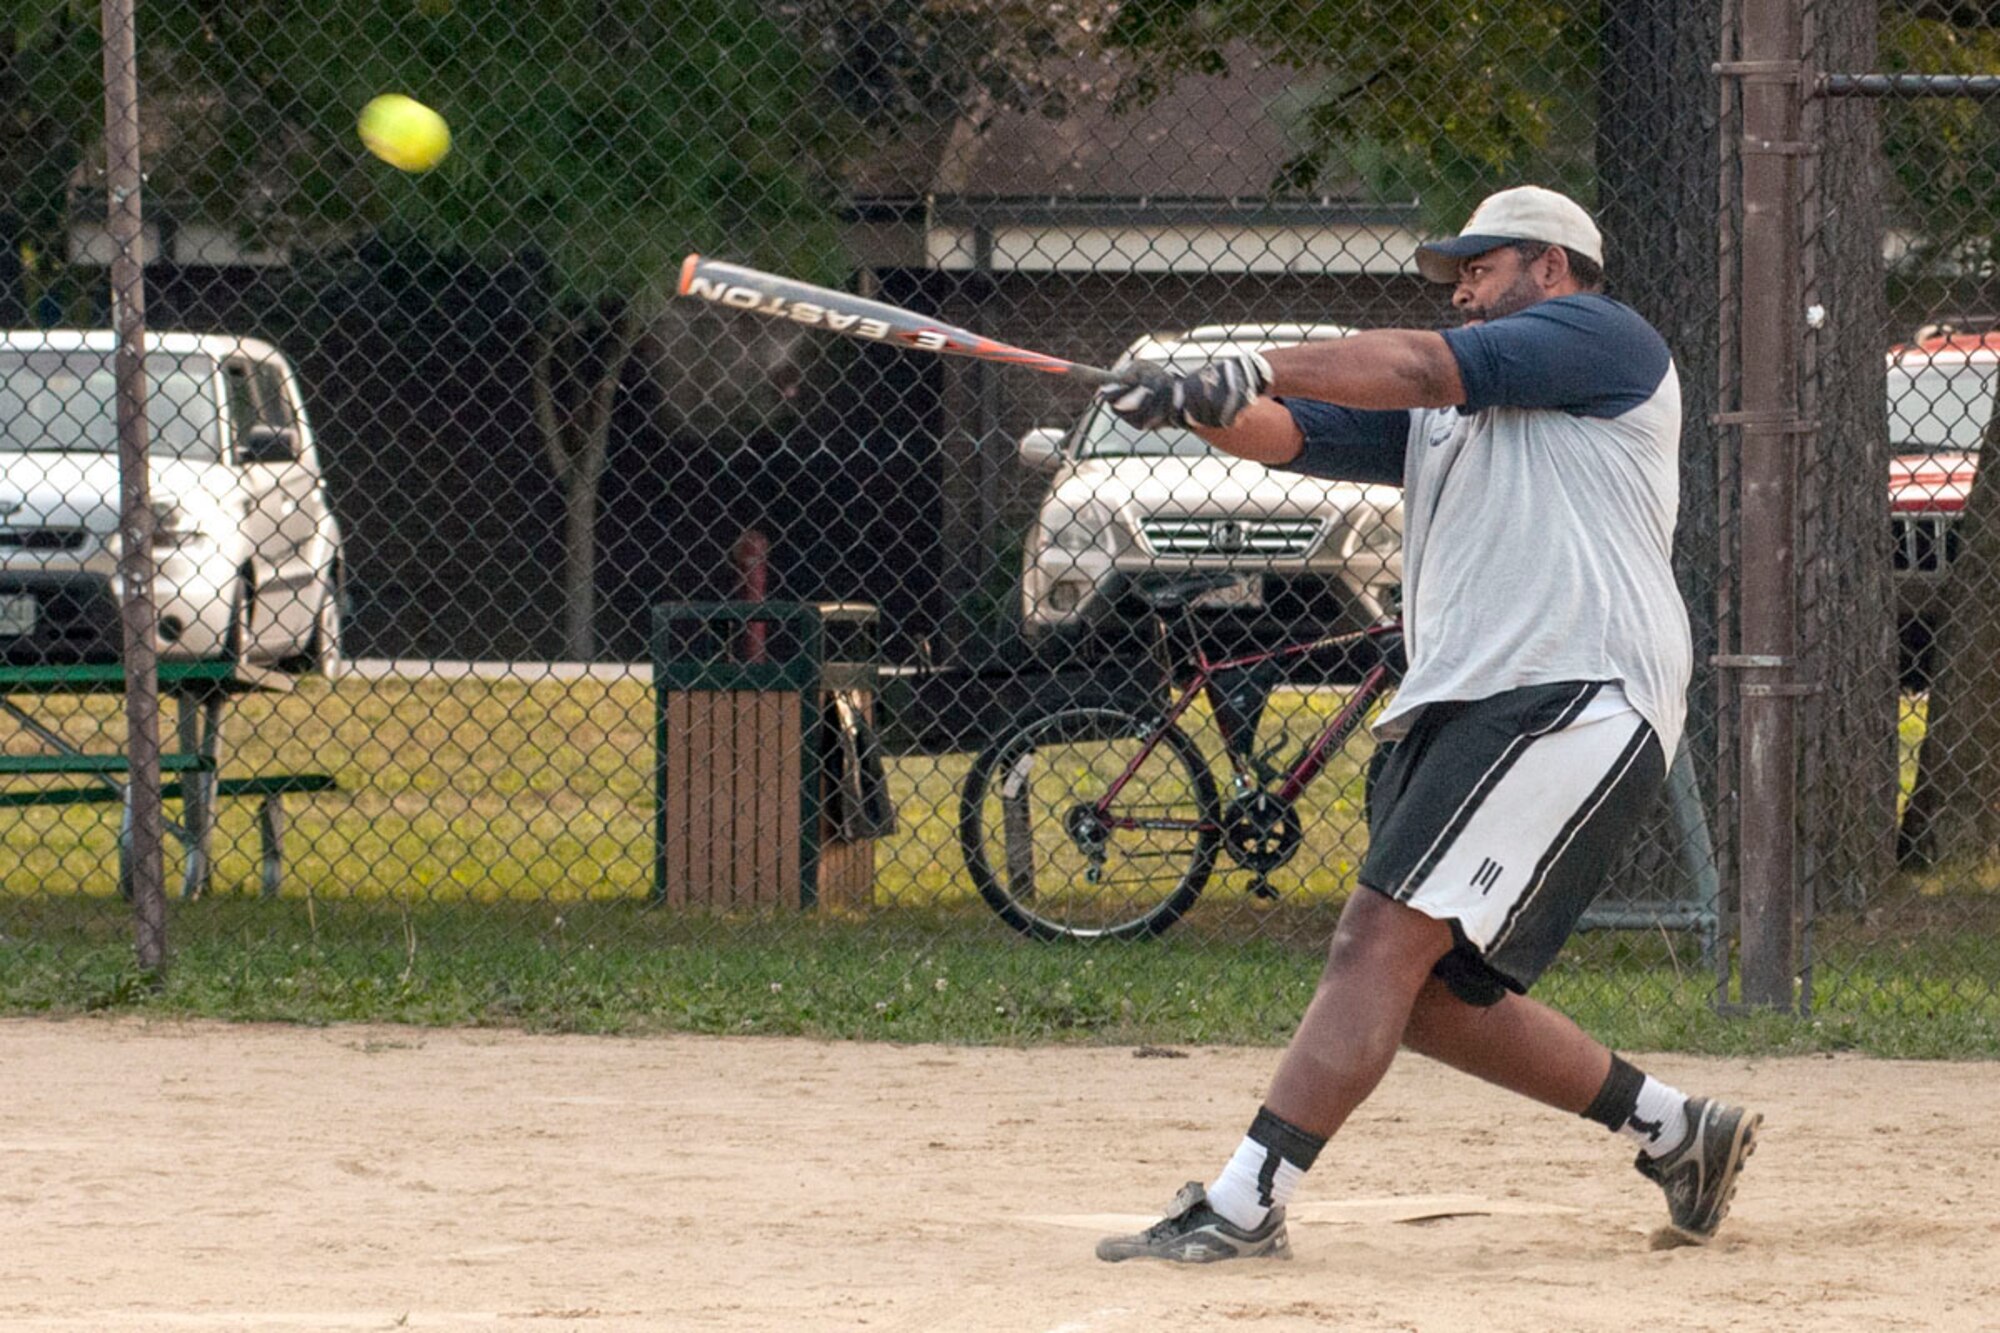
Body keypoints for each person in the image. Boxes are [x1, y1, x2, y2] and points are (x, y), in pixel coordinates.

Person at [1090, 185, 1759, 1263]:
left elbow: (1409, 363)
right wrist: (1189, 401)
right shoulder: (1450, 411)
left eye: (1478, 265)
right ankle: (1675, 1130)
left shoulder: (1599, 337)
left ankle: (1243, 1202)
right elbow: (1288, 431)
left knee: (1370, 940)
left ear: (1548, 267)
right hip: (1469, 697)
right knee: (1428, 995)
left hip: (1570, 686)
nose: (1458, 285)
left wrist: (1248, 358)